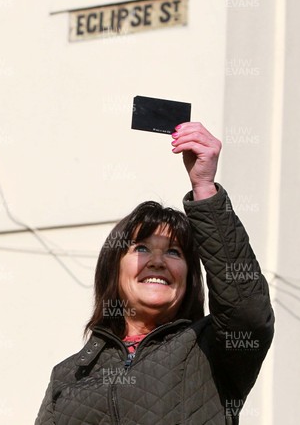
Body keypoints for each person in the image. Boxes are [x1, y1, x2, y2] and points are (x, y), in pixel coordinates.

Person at [34, 123, 274, 424]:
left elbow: (248, 311)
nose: (158, 261)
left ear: (189, 278)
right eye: (142, 249)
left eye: (174, 252)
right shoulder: (68, 376)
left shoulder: (210, 350)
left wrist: (204, 189)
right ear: (113, 269)